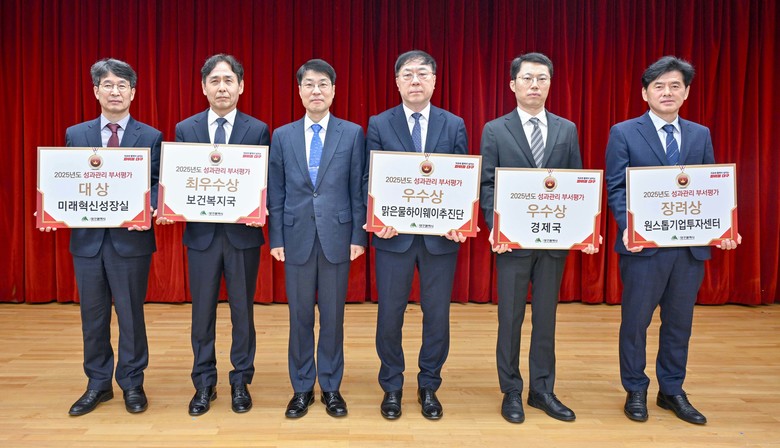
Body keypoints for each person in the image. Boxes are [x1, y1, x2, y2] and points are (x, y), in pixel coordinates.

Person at [605, 55, 741, 425]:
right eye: (659, 86)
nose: (667, 92)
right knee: (636, 323)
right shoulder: (624, 132)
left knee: (679, 323)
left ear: (686, 93)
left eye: (675, 86)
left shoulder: (700, 134)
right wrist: (627, 226)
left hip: (688, 249)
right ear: (645, 93)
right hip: (643, 248)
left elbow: (710, 187)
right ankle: (635, 388)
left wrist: (724, 228)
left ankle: (671, 390)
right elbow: (616, 187)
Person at [479, 52, 598, 424]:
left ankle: (542, 390)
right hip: (511, 243)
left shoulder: (567, 129)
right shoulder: (495, 129)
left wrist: (582, 229)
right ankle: (511, 390)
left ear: (550, 84)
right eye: (527, 78)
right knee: (510, 318)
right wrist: (495, 227)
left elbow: (577, 184)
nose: (534, 85)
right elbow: (487, 185)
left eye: (542, 78)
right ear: (512, 84)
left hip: (553, 243)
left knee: (546, 317)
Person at [161, 54, 270, 416]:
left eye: (228, 80)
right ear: (203, 87)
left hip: (243, 237)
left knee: (243, 313)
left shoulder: (258, 129)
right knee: (202, 313)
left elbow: (265, 180)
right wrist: (170, 206)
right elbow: (179, 180)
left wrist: (261, 206)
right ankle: (204, 383)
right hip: (202, 238)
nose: (222, 87)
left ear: (241, 86)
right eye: (215, 81)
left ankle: (241, 381)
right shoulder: (185, 129)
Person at [364, 50, 470, 420]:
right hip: (393, 236)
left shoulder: (453, 124)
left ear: (435, 81)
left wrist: (461, 219)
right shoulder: (380, 123)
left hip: (440, 239)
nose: (415, 80)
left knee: (437, 315)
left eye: (422, 73)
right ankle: (391, 385)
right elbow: (369, 178)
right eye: (407, 74)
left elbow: (462, 179)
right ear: (396, 82)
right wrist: (377, 217)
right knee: (390, 315)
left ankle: (429, 385)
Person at [54, 58, 162, 416]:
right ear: (96, 91)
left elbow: (158, 185)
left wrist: (150, 207)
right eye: (108, 85)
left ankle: (132, 382)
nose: (115, 92)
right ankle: (98, 383)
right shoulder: (76, 135)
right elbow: (65, 181)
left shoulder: (151, 137)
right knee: (93, 315)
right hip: (87, 242)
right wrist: (52, 209)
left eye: (122, 86)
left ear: (133, 92)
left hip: (131, 241)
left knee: (131, 315)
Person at [268, 59, 366, 419]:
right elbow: (276, 191)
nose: (316, 91)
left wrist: (358, 236)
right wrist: (276, 238)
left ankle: (331, 387)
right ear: (299, 91)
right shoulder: (282, 136)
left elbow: (358, 187)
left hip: (337, 237)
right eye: (309, 84)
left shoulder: (352, 133)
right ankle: (301, 388)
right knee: (299, 317)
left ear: (334, 90)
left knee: (333, 317)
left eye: (323, 84)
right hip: (295, 237)